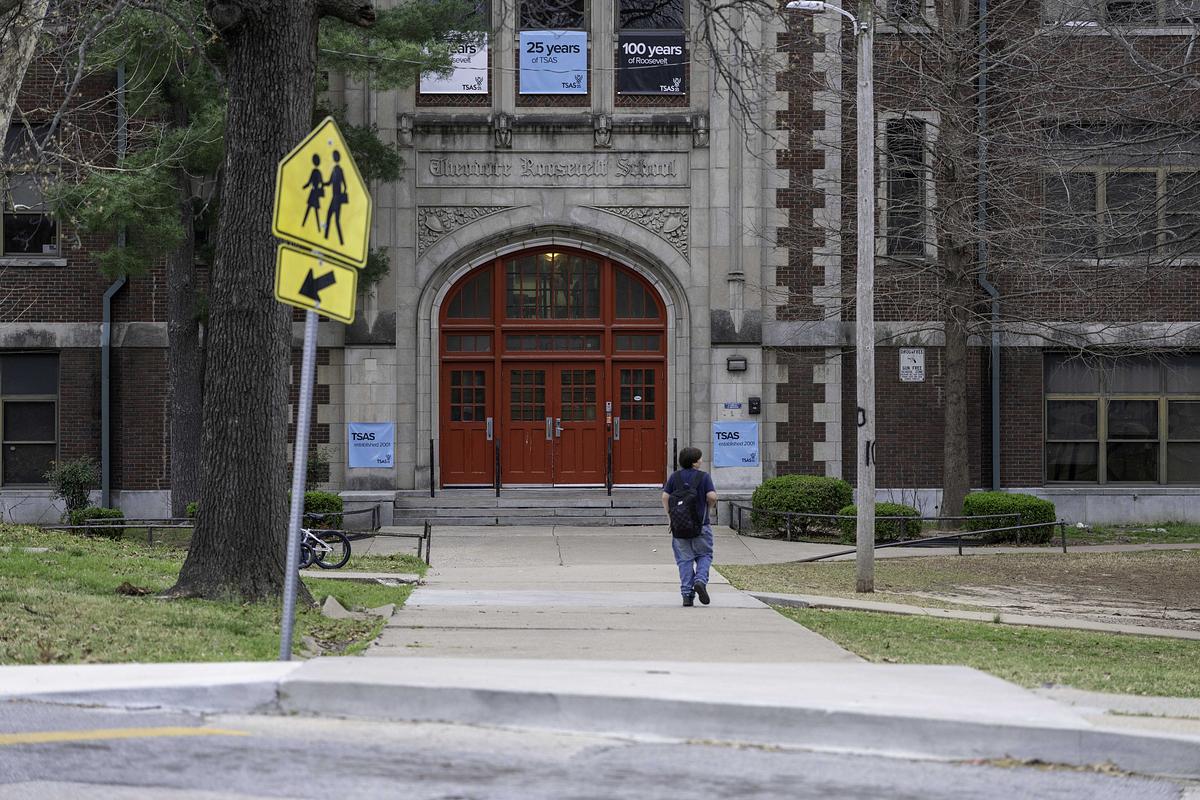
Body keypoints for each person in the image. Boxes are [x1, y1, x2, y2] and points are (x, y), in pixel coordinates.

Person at [661, 447, 718, 607]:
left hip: (679, 527)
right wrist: (711, 506)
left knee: (684, 560)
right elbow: (711, 496)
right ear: (694, 462)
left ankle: (687, 595)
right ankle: (700, 580)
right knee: (705, 555)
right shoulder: (704, 477)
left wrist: (670, 517)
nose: (701, 460)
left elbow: (665, 497)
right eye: (699, 458)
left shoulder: (674, 477)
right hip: (701, 525)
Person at [323, 150, 347, 244]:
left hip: (337, 198)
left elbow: (344, 184)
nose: (334, 158)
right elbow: (329, 183)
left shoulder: (338, 170)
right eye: (333, 156)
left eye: (335, 156)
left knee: (334, 219)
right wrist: (323, 184)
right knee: (330, 218)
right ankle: (327, 238)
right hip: (335, 198)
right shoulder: (334, 170)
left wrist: (341, 193)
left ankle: (339, 241)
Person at [301, 154, 323, 230]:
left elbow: (309, 182)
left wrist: (303, 187)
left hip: (313, 192)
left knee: (309, 209)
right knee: (314, 210)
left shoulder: (314, 172)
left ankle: (303, 224)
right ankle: (317, 227)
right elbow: (321, 183)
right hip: (316, 193)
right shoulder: (319, 172)